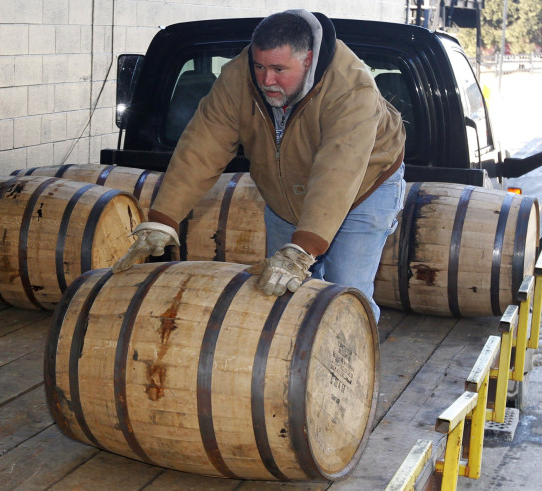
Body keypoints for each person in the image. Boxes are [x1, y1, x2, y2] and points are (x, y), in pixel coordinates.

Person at [112, 9, 406, 323]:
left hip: (364, 187)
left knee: (345, 290)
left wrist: (303, 248)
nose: (266, 80)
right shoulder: (239, 77)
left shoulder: (350, 87)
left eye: (279, 69)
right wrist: (163, 218)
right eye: (260, 65)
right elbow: (203, 145)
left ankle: (355, 365)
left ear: (308, 60)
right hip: (286, 193)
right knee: (284, 293)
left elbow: (339, 170)